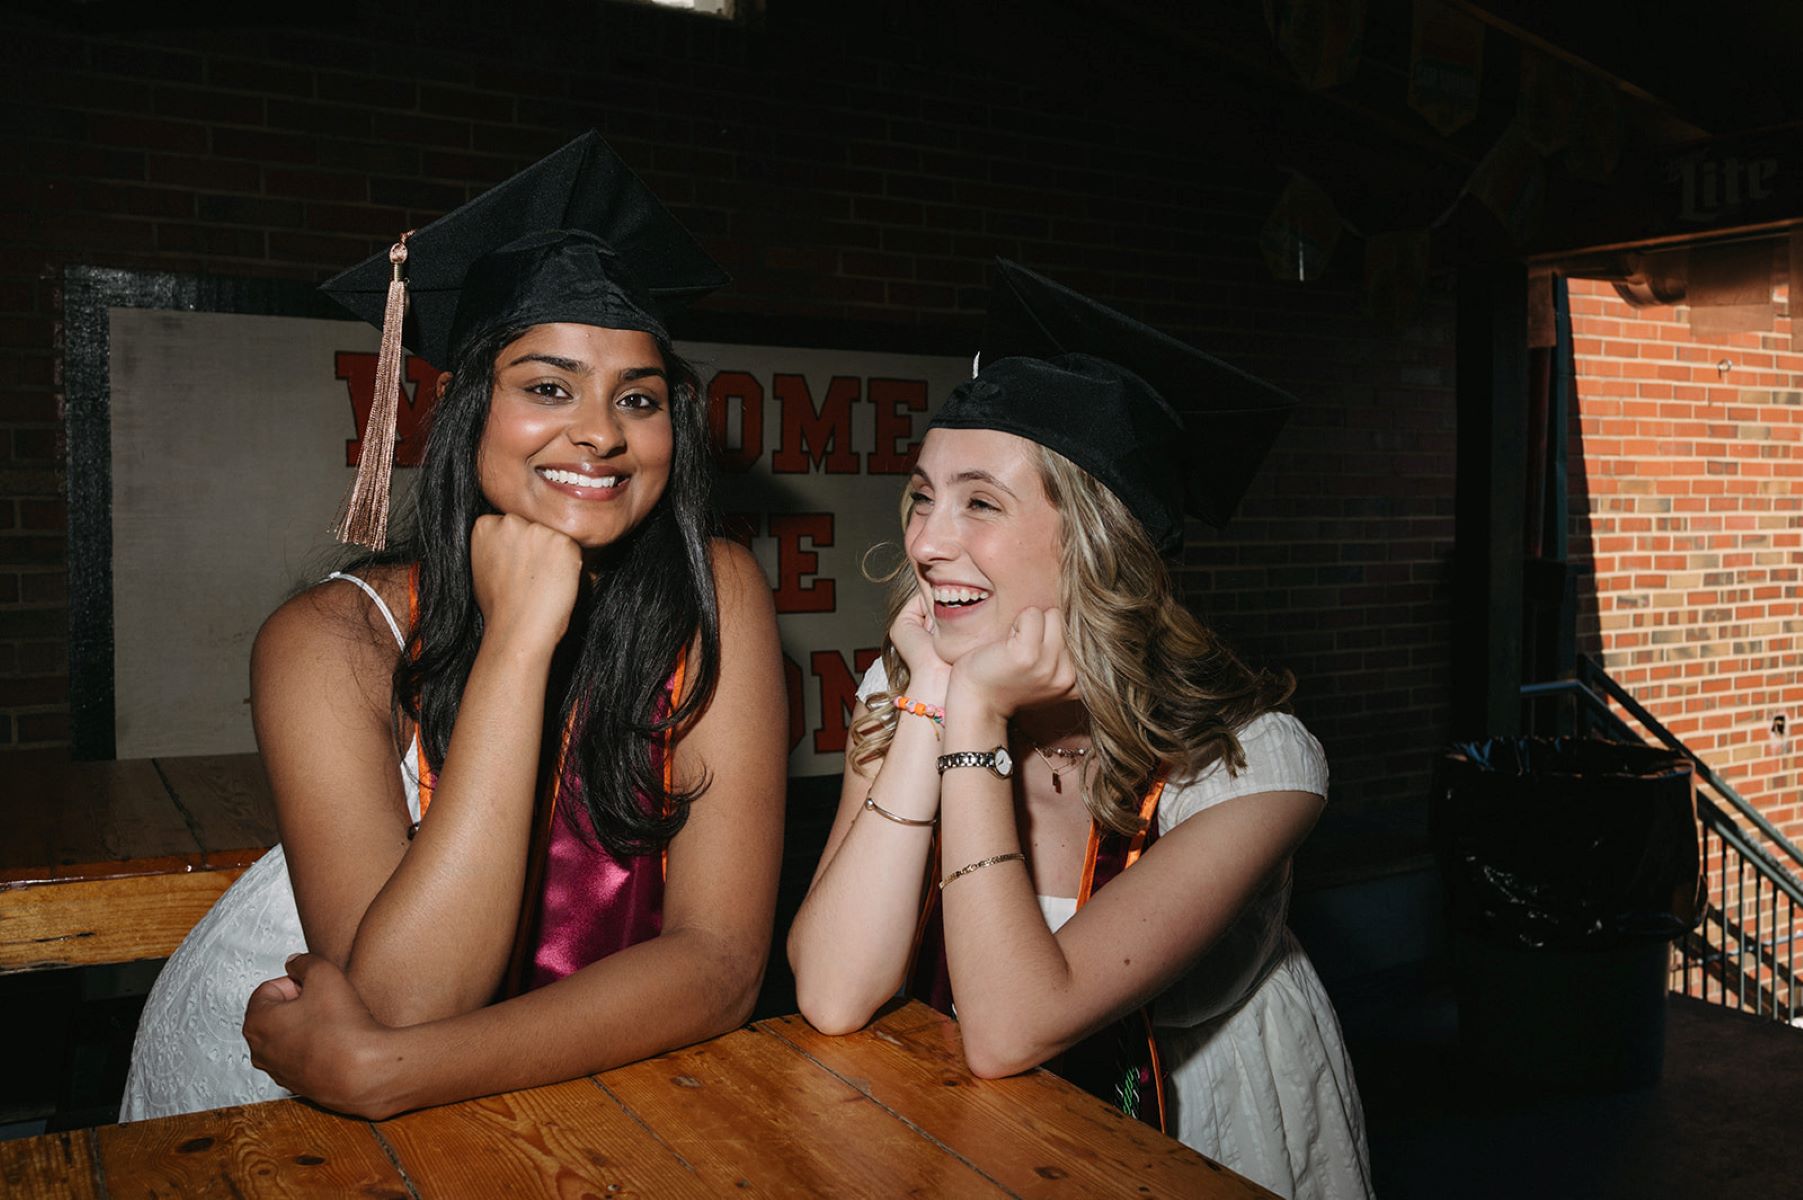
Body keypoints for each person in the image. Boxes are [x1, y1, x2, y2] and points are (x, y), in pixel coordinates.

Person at [120, 132, 786, 1122]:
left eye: (637, 398)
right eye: (547, 386)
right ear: (459, 409)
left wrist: (396, 1073)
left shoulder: (712, 591)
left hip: (476, 1082)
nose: (600, 432)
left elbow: (720, 965)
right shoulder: (332, 641)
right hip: (272, 1090)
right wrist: (521, 640)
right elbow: (399, 1001)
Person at [786, 262, 1371, 1199]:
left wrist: (974, 721)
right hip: (972, 1139)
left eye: (979, 500)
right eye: (922, 496)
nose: (927, 541)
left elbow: (1014, 1024)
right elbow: (831, 991)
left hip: (1203, 1136)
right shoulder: (906, 687)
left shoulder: (1254, 760)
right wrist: (935, 701)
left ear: (1097, 540)